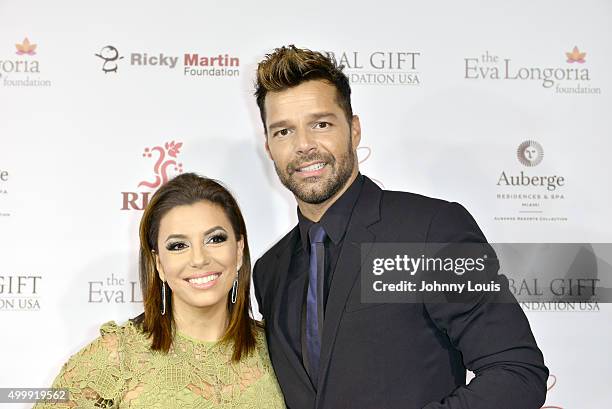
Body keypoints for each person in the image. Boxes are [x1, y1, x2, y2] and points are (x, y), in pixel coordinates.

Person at [252, 45, 548, 409]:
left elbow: (517, 372)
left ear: (354, 130)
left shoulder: (430, 231)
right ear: (268, 147)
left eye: (321, 124)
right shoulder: (270, 271)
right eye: (283, 132)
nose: (304, 146)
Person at [35, 173, 285, 408]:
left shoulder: (279, 351)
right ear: (159, 264)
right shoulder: (118, 358)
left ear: (239, 250)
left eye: (215, 239)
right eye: (178, 245)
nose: (199, 259)